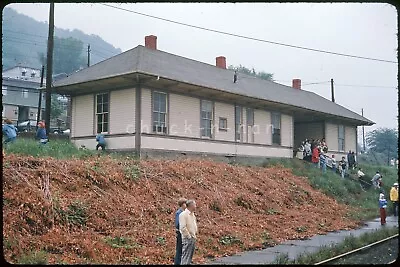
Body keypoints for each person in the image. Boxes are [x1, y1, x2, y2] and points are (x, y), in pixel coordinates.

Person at [179, 199, 198, 265]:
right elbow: (183, 227)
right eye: (195, 205)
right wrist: (189, 236)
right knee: (186, 256)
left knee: (189, 257)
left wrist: (195, 234)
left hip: (193, 237)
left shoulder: (192, 214)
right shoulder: (183, 215)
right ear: (191, 206)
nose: (196, 206)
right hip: (187, 238)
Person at [174, 198, 187, 265]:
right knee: (179, 250)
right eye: (185, 203)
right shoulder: (178, 213)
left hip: (184, 234)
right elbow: (177, 223)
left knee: (183, 250)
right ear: (182, 204)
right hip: (180, 233)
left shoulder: (185, 213)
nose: (186, 205)